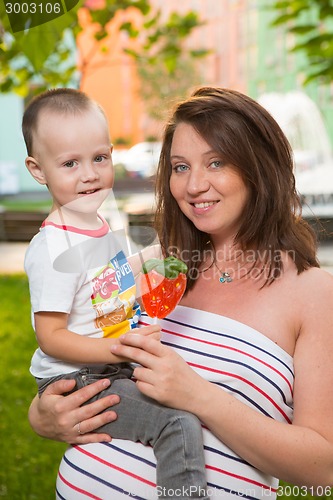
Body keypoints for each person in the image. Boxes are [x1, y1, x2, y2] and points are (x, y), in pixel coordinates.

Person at [28, 87, 333, 500]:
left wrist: (198, 396)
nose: (194, 185)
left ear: (259, 168)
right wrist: (43, 416)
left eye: (216, 162)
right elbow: (67, 351)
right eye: (180, 167)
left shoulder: (315, 293)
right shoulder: (148, 267)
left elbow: (324, 468)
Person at [22, 88, 209, 499]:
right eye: (70, 163)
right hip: (80, 378)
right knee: (177, 422)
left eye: (99, 159)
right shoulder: (54, 246)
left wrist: (159, 259)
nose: (89, 174)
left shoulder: (98, 225)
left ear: (111, 154)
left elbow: (111, 282)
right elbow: (50, 336)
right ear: (38, 170)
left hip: (107, 365)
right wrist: (122, 350)